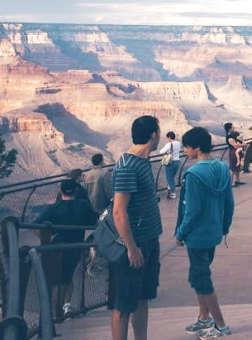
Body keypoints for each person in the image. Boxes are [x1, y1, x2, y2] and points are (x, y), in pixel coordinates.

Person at [176, 127, 235, 339]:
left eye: (187, 147)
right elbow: (229, 203)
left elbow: (191, 210)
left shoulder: (193, 175)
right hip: (214, 232)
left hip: (197, 236)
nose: (185, 151)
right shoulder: (222, 168)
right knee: (198, 275)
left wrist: (181, 233)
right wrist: (224, 227)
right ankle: (204, 318)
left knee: (202, 279)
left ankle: (221, 325)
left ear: (197, 148)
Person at [110, 115, 163, 340]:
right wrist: (132, 248)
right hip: (134, 245)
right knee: (123, 305)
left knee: (142, 298)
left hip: (149, 241)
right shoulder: (127, 166)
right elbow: (119, 211)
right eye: (159, 131)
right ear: (153, 135)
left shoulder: (143, 161)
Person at [35, 179, 99, 317]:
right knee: (68, 277)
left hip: (56, 248)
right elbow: (94, 221)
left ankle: (56, 312)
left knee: (57, 280)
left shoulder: (53, 208)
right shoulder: (83, 205)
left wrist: (45, 238)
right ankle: (66, 306)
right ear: (75, 191)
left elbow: (36, 225)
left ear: (60, 191)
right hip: (75, 247)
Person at [160, 131, 182, 199]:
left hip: (170, 162)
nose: (167, 139)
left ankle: (173, 193)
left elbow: (161, 151)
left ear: (169, 138)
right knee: (172, 177)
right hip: (177, 162)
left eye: (167, 138)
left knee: (169, 178)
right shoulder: (178, 143)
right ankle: (169, 189)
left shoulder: (169, 144)